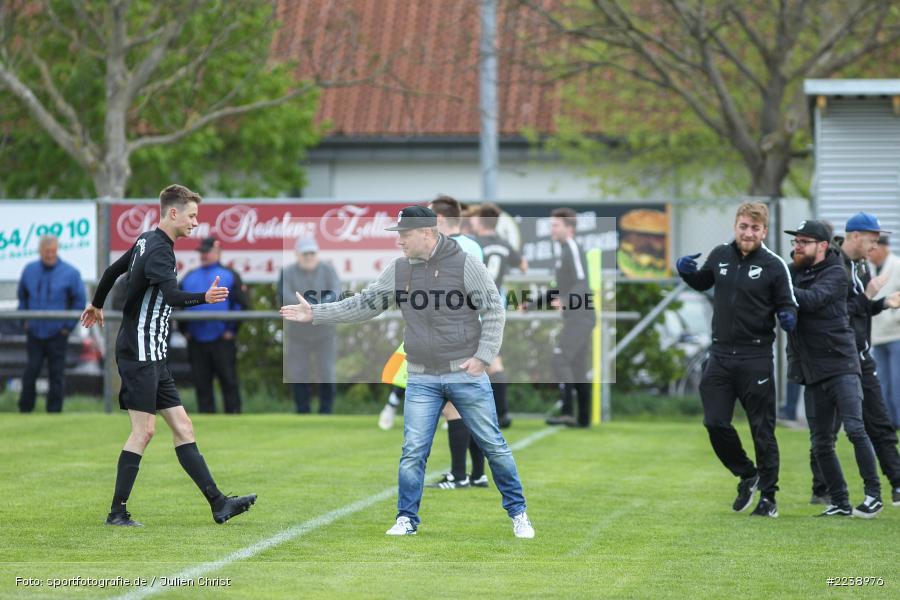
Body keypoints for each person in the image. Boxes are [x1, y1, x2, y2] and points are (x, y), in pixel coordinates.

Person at [281, 206, 534, 538]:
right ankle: (406, 519)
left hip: (465, 372)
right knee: (413, 450)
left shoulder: (466, 263)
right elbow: (364, 303)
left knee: (493, 444)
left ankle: (519, 514)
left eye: (404, 234)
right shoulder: (399, 269)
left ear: (427, 233)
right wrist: (316, 313)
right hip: (420, 376)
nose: (399, 240)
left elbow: (494, 310)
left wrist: (484, 357)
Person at [81, 184, 256, 527]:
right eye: (192, 216)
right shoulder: (160, 250)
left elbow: (111, 272)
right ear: (172, 213)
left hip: (152, 354)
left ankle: (219, 504)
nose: (195, 222)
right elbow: (173, 296)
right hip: (140, 353)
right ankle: (117, 512)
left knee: (183, 426)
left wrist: (97, 303)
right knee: (143, 431)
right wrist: (204, 298)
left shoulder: (147, 239)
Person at [676, 202, 796, 518]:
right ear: (735, 227)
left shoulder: (774, 265)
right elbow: (703, 281)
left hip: (755, 356)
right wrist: (685, 272)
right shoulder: (720, 255)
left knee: (762, 429)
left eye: (754, 228)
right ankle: (747, 473)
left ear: (764, 232)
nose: (748, 233)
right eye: (743, 226)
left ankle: (768, 497)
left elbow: (789, 302)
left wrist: (787, 316)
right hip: (720, 356)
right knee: (714, 422)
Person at [784, 219, 883, 518]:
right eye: (795, 241)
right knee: (821, 442)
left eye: (804, 242)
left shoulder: (836, 273)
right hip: (812, 367)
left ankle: (873, 495)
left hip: (841, 363)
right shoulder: (793, 273)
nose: (797, 246)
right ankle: (839, 501)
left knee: (855, 428)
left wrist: (781, 290)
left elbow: (811, 300)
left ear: (822, 246)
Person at [808, 214, 900, 509]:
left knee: (878, 424)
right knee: (829, 431)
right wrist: (871, 294)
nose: (874, 246)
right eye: (872, 240)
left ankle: (896, 485)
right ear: (855, 236)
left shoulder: (859, 265)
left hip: (858, 355)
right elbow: (837, 312)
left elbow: (856, 310)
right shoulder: (833, 266)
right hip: (837, 360)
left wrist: (882, 303)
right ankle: (825, 489)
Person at [471, 202, 528, 429]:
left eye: (474, 218)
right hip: (496, 306)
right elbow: (523, 265)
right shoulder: (505, 245)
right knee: (494, 358)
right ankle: (502, 414)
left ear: (479, 221)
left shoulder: (475, 244)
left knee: (474, 359)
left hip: (475, 305)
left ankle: (471, 412)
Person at [178, 237, 250, 414]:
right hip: (196, 339)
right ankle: (206, 418)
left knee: (228, 381)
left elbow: (243, 304)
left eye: (207, 251)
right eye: (201, 252)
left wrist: (232, 330)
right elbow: (178, 303)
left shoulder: (230, 275)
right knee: (201, 383)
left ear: (217, 253)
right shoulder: (189, 276)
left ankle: (234, 417)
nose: (203, 255)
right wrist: (184, 330)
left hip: (222, 339)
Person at [17, 235, 86, 413]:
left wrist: (67, 327)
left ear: (57, 250)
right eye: (46, 252)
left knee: (56, 374)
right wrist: (24, 320)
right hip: (35, 332)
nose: (50, 255)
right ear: (40, 251)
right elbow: (22, 296)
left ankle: (54, 412)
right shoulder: (29, 270)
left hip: (57, 333)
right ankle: (25, 409)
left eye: (53, 251)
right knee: (31, 371)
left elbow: (79, 301)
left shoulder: (70, 273)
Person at [541, 208, 595, 429]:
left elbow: (583, 283)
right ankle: (583, 419)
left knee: (560, 358)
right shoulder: (563, 250)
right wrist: (531, 304)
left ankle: (567, 412)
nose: (552, 228)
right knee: (578, 367)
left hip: (581, 317)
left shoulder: (572, 248)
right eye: (551, 224)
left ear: (569, 229)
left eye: (556, 225)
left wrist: (565, 300)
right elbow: (559, 289)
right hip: (577, 317)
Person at [278, 237, 342, 414]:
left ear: (317, 253)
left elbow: (335, 293)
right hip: (297, 333)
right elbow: (284, 296)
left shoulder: (328, 270)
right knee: (298, 374)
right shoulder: (287, 272)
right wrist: (308, 310)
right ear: (297, 254)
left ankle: (326, 412)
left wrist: (313, 310)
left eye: (312, 253)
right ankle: (302, 412)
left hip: (325, 331)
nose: (309, 256)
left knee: (327, 373)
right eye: (305, 253)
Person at [870, 235, 900, 429]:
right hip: (877, 335)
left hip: (897, 334)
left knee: (898, 383)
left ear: (883, 248)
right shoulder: (869, 269)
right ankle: (888, 423)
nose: (870, 252)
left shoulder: (897, 265)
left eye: (873, 248)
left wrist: (894, 318)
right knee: (882, 383)